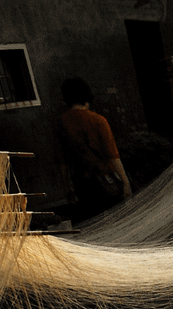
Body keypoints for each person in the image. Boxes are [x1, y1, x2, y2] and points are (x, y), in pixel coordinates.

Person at [55, 77, 132, 223]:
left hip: (81, 182)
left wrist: (67, 187)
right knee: (119, 221)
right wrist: (125, 182)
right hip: (106, 178)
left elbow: (62, 159)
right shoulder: (98, 120)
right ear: (87, 96)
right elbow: (112, 155)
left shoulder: (61, 123)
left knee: (94, 221)